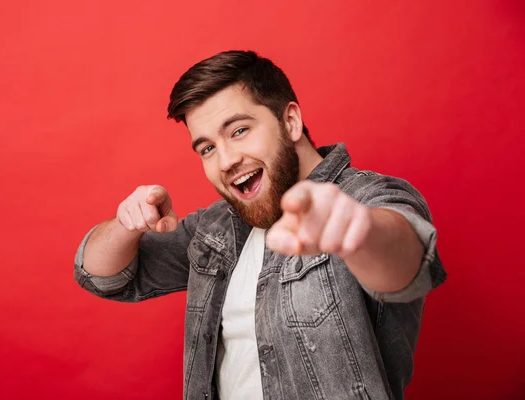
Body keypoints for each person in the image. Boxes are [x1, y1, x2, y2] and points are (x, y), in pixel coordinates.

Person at [73, 50, 446, 400]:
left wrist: (358, 231)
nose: (226, 161)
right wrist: (128, 223)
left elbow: (409, 264)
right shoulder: (215, 228)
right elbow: (102, 277)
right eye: (207, 148)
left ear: (290, 121)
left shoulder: (367, 197)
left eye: (238, 131)